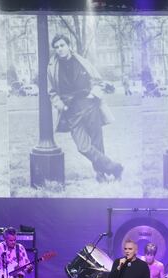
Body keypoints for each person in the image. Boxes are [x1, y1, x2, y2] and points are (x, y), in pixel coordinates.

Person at [48, 34, 123, 183]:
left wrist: (92, 95)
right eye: (56, 47)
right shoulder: (52, 68)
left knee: (97, 142)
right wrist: (60, 104)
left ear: (69, 45)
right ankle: (114, 167)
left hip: (89, 105)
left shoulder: (82, 61)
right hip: (71, 110)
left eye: (62, 45)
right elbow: (52, 92)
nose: (59, 49)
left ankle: (101, 175)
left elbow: (97, 80)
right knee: (83, 147)